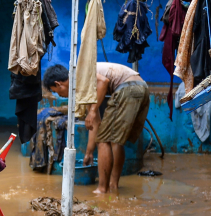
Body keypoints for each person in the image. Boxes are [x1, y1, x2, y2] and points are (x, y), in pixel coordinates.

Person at [43, 62, 149, 195]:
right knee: (115, 140)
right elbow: (96, 123)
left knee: (104, 140)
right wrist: (89, 152)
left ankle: (103, 188)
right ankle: (113, 185)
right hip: (140, 87)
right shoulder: (83, 88)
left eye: (55, 91)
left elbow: (104, 81)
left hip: (128, 88)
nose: (58, 95)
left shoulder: (79, 74)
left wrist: (92, 110)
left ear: (59, 84)